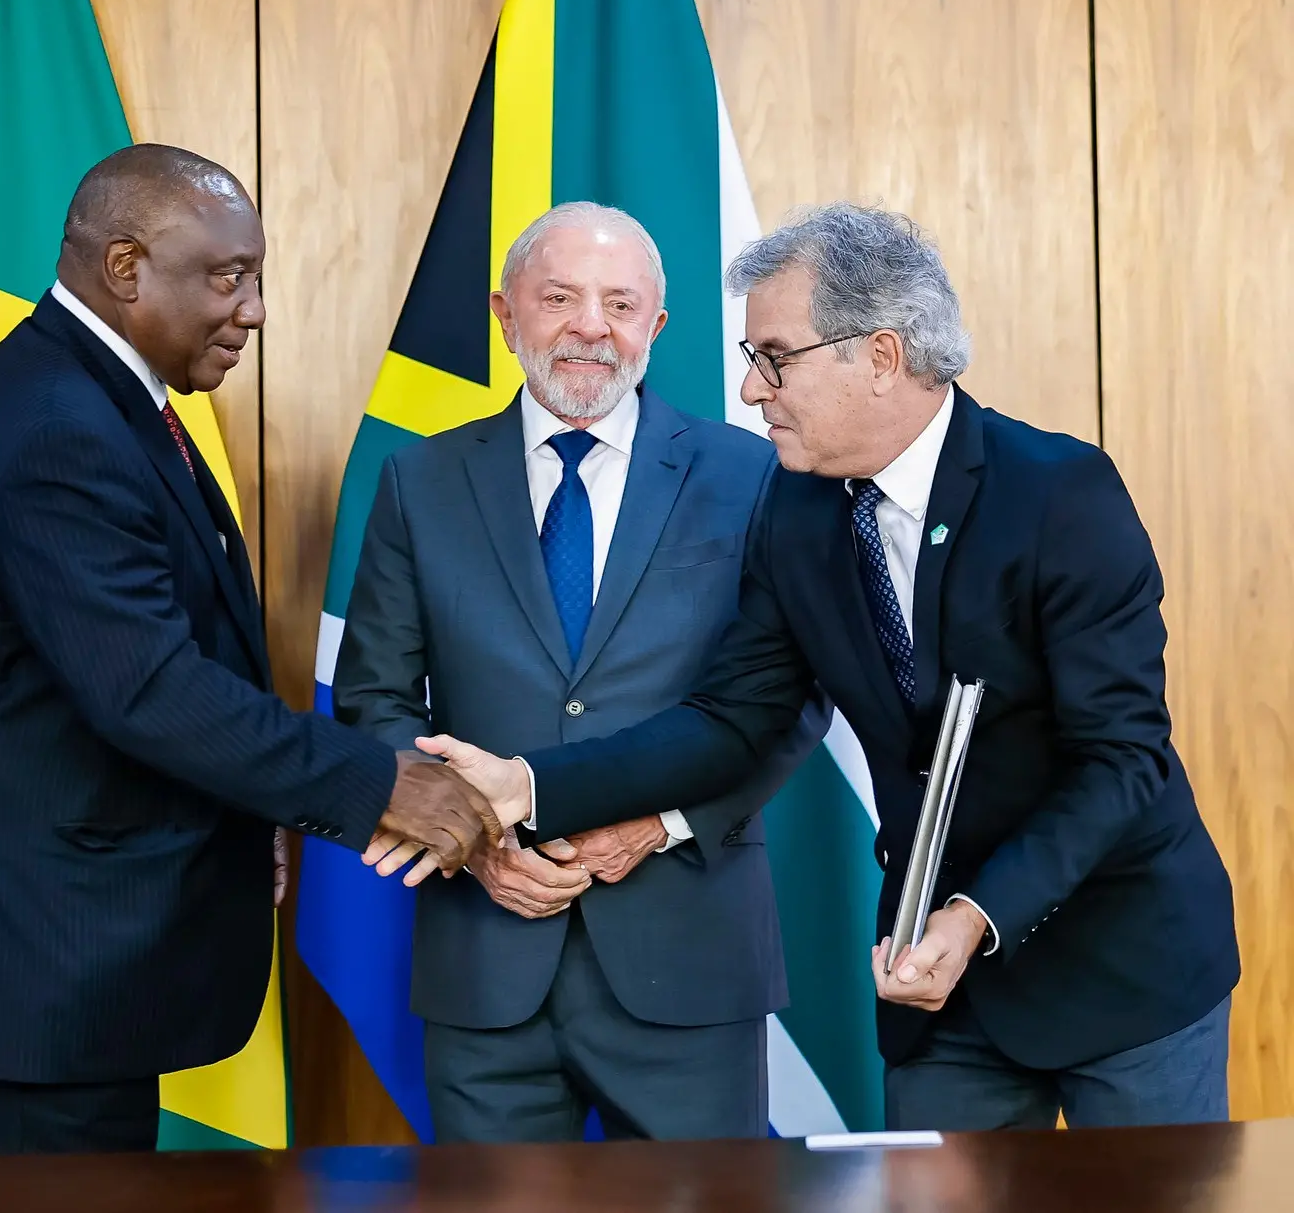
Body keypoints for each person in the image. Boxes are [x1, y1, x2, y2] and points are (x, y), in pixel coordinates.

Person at [396, 204, 1240, 1132]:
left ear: (879, 356)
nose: (751, 389)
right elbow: (734, 718)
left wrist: (974, 914)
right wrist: (528, 783)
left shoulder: (1058, 493)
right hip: (936, 990)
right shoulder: (797, 512)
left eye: (774, 358)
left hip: (1122, 964)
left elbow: (1121, 759)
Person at [0, 144, 502, 1156]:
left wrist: (253, 804)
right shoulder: (60, 426)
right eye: (228, 278)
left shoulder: (95, 395)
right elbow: (149, 688)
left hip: (60, 964)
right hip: (27, 973)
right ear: (125, 268)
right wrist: (380, 784)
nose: (253, 311)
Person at [335, 203, 827, 1142]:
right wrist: (474, 840)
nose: (591, 327)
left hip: (688, 957)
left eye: (620, 304)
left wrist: (659, 823)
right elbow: (374, 700)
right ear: (505, 314)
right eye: (559, 298)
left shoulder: (753, 474)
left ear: (657, 325)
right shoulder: (418, 482)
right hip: (485, 962)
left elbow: (795, 696)